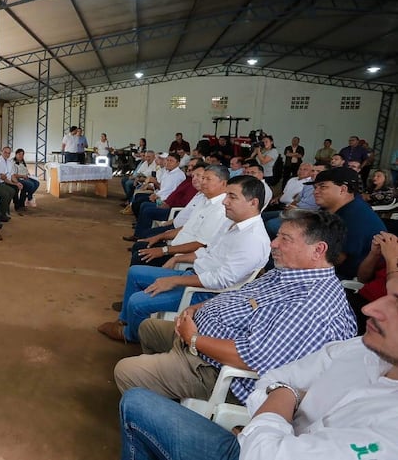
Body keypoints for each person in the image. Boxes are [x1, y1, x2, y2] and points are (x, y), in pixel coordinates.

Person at [118, 271, 398, 460]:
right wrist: (278, 405)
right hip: (254, 432)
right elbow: (278, 378)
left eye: (396, 303)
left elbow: (265, 451)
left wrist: (280, 404)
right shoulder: (362, 349)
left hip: (247, 438)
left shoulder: (310, 304)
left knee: (134, 400)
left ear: (317, 250)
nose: (369, 308)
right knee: (149, 333)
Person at [114, 209, 357, 401]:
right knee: (148, 327)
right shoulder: (286, 273)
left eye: (286, 239)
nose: (274, 244)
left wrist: (194, 339)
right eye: (278, 236)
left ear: (318, 250)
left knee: (125, 370)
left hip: (219, 372)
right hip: (201, 339)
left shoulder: (311, 304)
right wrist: (198, 309)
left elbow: (252, 358)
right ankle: (164, 385)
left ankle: (153, 411)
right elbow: (239, 296)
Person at [100, 176, 270, 343]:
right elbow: (206, 252)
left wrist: (176, 280)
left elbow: (221, 280)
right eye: (226, 195)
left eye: (232, 197)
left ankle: (130, 335)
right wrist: (176, 260)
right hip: (194, 275)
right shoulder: (232, 223)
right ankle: (126, 320)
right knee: (135, 272)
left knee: (137, 302)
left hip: (205, 293)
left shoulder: (253, 239)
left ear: (253, 203)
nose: (225, 201)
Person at [306, 167, 385, 279]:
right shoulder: (332, 208)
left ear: (343, 189)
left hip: (347, 277)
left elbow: (335, 259)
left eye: (322, 187)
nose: (315, 191)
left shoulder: (356, 215)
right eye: (315, 187)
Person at [0, 146, 26, 212]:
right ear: (1, 152)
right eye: (5, 152)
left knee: (19, 187)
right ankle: (5, 209)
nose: (7, 154)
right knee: (12, 189)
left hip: (6, 181)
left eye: (8, 153)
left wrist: (17, 183)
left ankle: (8, 207)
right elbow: (4, 178)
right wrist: (15, 183)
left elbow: (11, 175)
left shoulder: (8, 162)